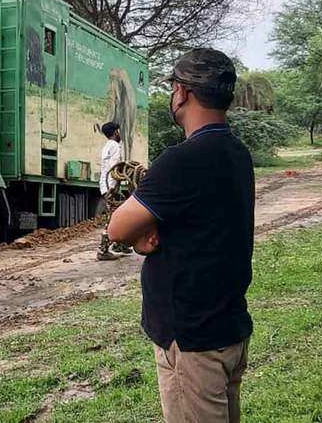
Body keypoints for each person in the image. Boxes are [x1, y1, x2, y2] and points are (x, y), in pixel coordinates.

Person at [108, 48, 254, 423]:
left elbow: (117, 228)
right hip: (227, 328)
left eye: (173, 88)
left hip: (192, 341)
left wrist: (140, 234)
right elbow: (204, 222)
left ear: (183, 92)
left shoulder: (181, 160)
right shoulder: (238, 154)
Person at [97, 121, 127, 260]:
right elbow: (115, 167)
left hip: (105, 184)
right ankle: (103, 251)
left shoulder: (106, 146)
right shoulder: (115, 146)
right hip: (111, 186)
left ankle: (119, 245)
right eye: (118, 131)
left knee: (119, 214)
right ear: (115, 132)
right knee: (113, 217)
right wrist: (114, 186)